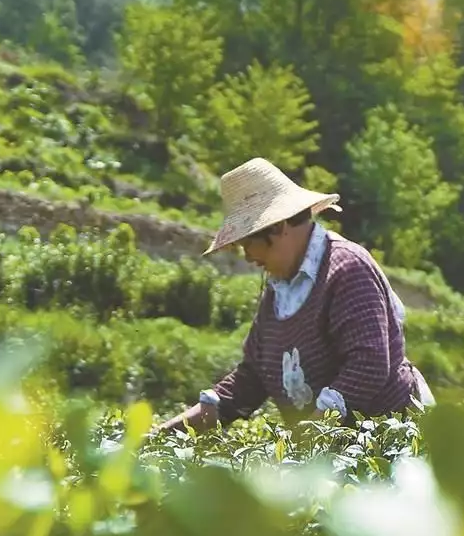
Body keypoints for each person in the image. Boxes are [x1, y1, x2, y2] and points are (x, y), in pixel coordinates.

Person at [153, 157, 434, 436]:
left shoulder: (347, 269)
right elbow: (248, 383)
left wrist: (303, 443)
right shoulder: (278, 294)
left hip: (394, 443)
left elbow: (368, 365)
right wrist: (159, 435)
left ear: (277, 227)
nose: (248, 256)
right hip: (329, 458)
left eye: (248, 242)